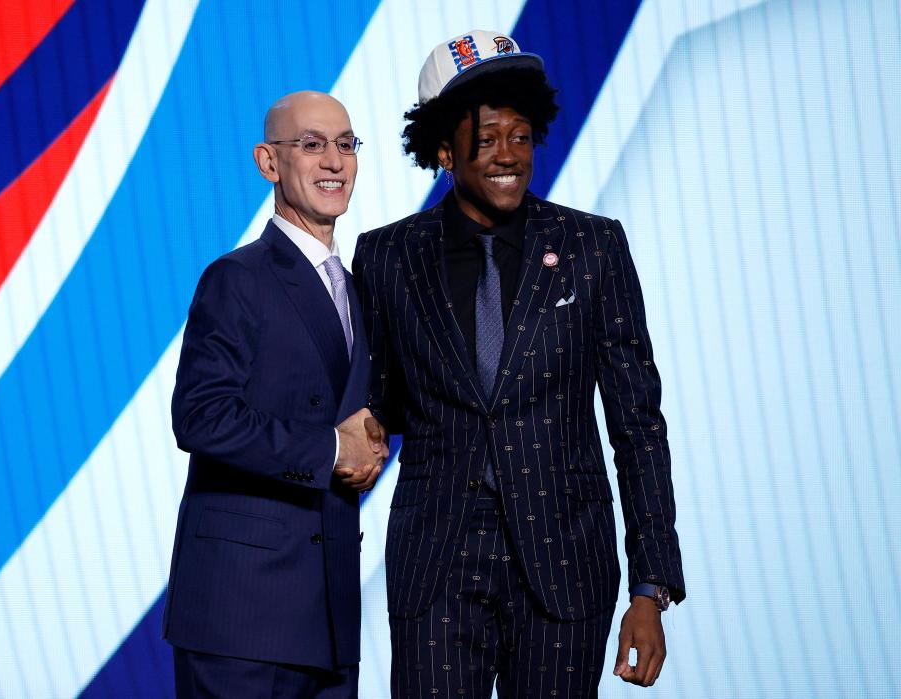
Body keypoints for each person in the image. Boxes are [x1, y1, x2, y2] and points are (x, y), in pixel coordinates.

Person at [353, 31, 685, 698]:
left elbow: (638, 426)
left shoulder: (593, 246)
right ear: (444, 149)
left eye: (522, 135)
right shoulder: (385, 257)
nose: (509, 153)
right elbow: (371, 406)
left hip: (566, 566)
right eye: (487, 136)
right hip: (437, 566)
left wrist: (650, 587)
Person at [163, 90, 386, 698]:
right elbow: (201, 416)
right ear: (269, 162)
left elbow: (355, 407)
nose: (334, 161)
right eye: (312, 145)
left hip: (331, 615)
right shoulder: (237, 277)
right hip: (240, 615)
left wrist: (373, 436)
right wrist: (331, 453)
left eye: (346, 145)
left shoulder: (361, 288)